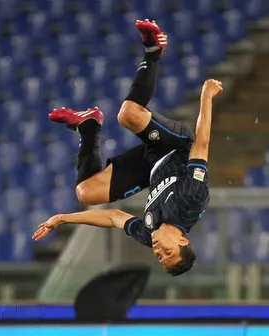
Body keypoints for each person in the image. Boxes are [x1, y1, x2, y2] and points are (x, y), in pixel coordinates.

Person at [34, 20, 222, 276]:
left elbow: (113, 217)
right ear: (183, 241)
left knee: (86, 193)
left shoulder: (149, 232)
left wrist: (63, 218)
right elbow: (202, 143)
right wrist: (206, 96)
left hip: (152, 167)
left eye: (159, 258)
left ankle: (88, 126)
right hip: (177, 147)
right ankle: (153, 51)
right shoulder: (192, 200)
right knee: (129, 114)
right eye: (168, 252)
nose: (158, 252)